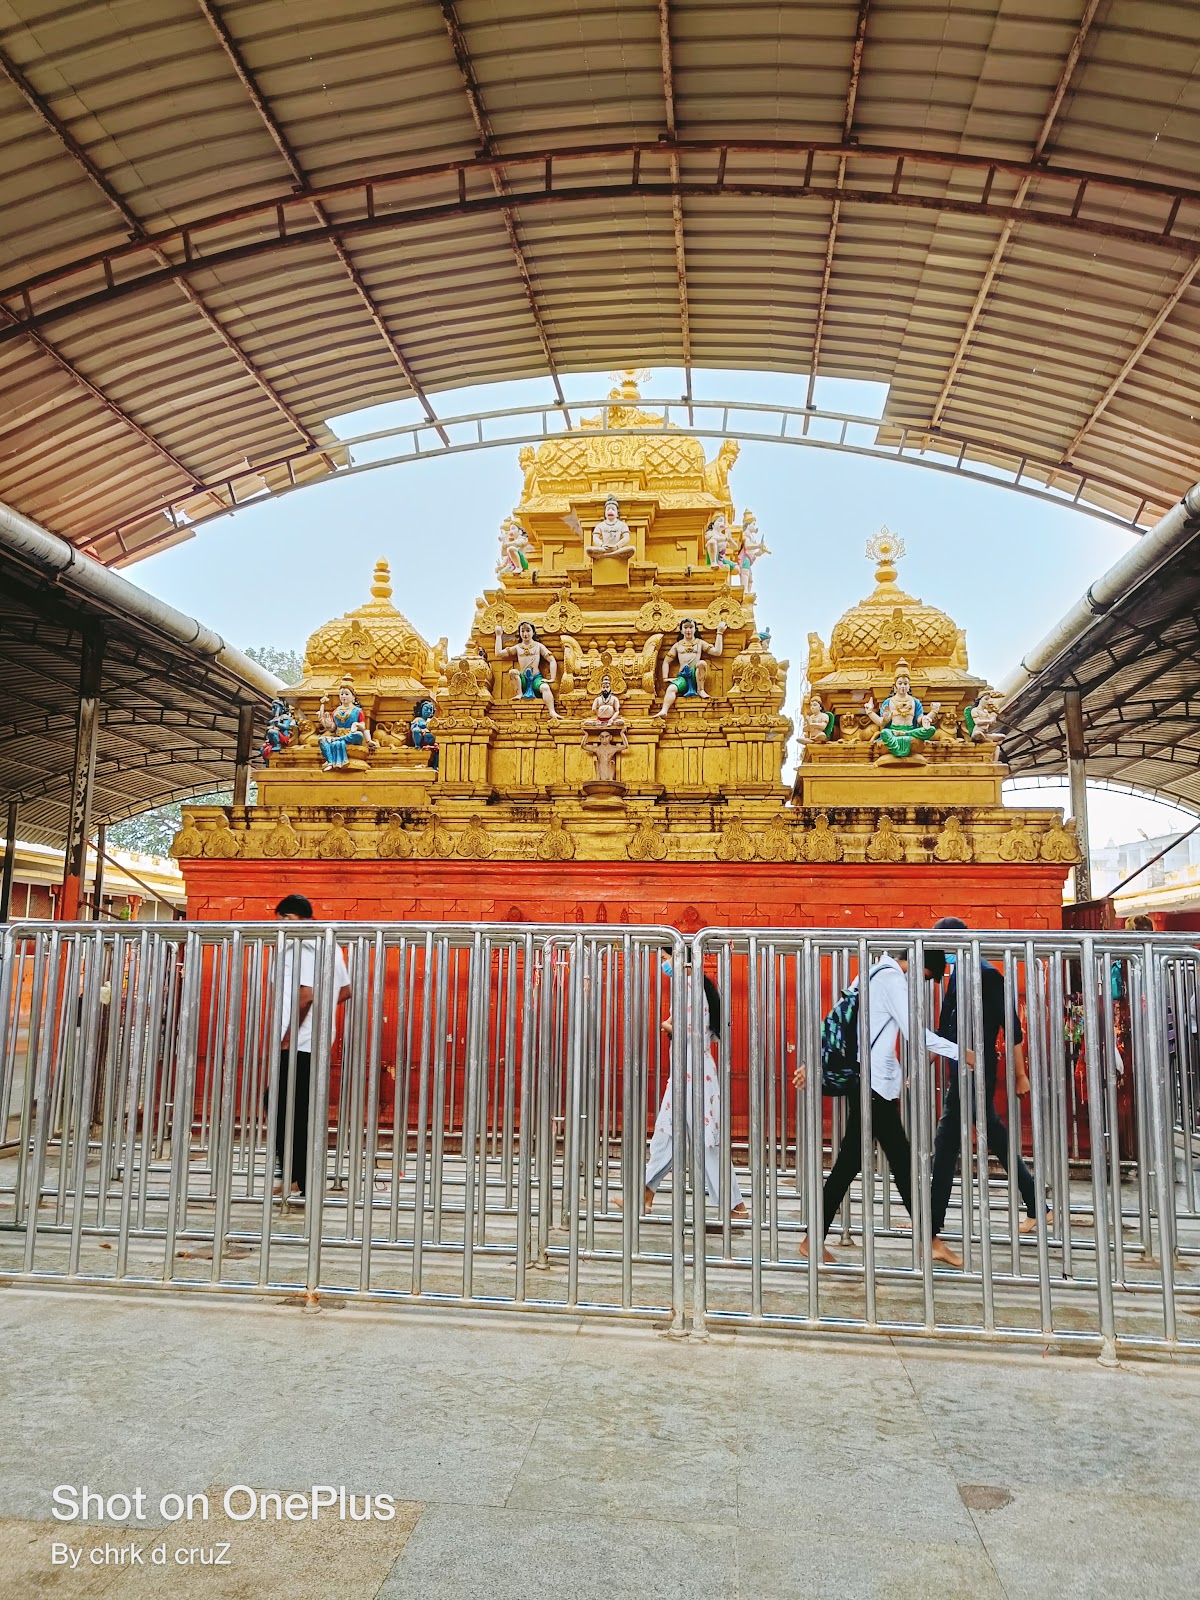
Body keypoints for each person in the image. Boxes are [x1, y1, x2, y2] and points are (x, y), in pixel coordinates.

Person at [794, 949, 971, 1263]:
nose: (921, 983)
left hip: (869, 1083)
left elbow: (843, 1027)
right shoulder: (891, 980)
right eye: (926, 977)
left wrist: (815, 1063)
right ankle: (928, 1239)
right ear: (918, 965)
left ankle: (814, 1238)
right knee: (895, 1163)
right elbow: (916, 1033)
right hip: (873, 1085)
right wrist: (960, 1052)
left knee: (862, 1163)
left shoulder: (870, 973)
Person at [928, 916, 1046, 1267]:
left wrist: (1020, 1074)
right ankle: (1039, 1206)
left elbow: (1012, 1029)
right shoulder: (956, 974)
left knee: (946, 1145)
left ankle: (930, 1227)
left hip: (977, 1072)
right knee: (994, 1137)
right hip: (960, 1070)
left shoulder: (988, 975)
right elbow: (946, 1026)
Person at [617, 957, 749, 1221]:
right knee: (667, 1133)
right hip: (689, 1071)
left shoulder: (689, 989)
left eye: (666, 958)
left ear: (681, 958)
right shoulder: (696, 987)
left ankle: (735, 1206)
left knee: (706, 1140)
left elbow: (685, 1030)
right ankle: (644, 1194)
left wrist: (665, 1025)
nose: (663, 964)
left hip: (693, 1074)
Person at [273, 894, 351, 1206]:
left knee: (282, 1106)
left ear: (298, 919)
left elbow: (306, 995)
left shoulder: (303, 943)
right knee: (298, 1109)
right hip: (317, 1039)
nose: (281, 926)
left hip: (299, 1042)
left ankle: (298, 1178)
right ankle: (300, 1179)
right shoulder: (329, 943)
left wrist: (291, 1035)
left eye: (285, 920)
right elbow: (345, 990)